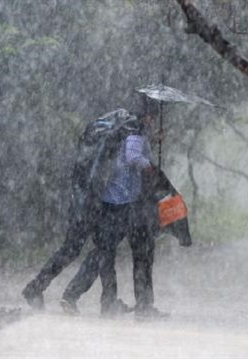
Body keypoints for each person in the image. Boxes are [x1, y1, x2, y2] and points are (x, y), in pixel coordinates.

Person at [59, 101, 168, 318]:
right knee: (141, 253)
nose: (152, 121)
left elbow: (129, 152)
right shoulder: (135, 129)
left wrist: (152, 140)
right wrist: (151, 167)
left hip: (114, 200)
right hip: (124, 203)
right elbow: (133, 156)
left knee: (104, 252)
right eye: (152, 117)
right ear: (148, 116)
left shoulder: (128, 127)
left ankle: (83, 297)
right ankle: (142, 308)